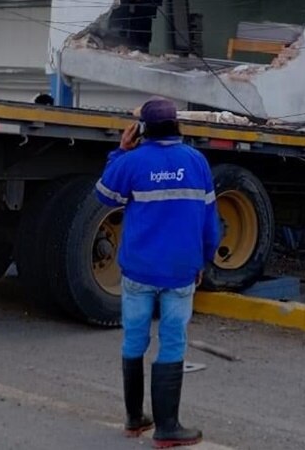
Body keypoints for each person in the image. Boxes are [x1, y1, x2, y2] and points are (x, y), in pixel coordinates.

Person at [95, 98, 220, 446]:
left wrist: (120, 151)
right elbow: (210, 223)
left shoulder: (133, 161)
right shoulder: (197, 162)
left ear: (143, 129)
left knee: (134, 339)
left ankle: (135, 419)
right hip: (181, 270)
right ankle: (167, 427)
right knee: (172, 341)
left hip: (138, 270)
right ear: (177, 125)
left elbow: (105, 195)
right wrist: (203, 260)